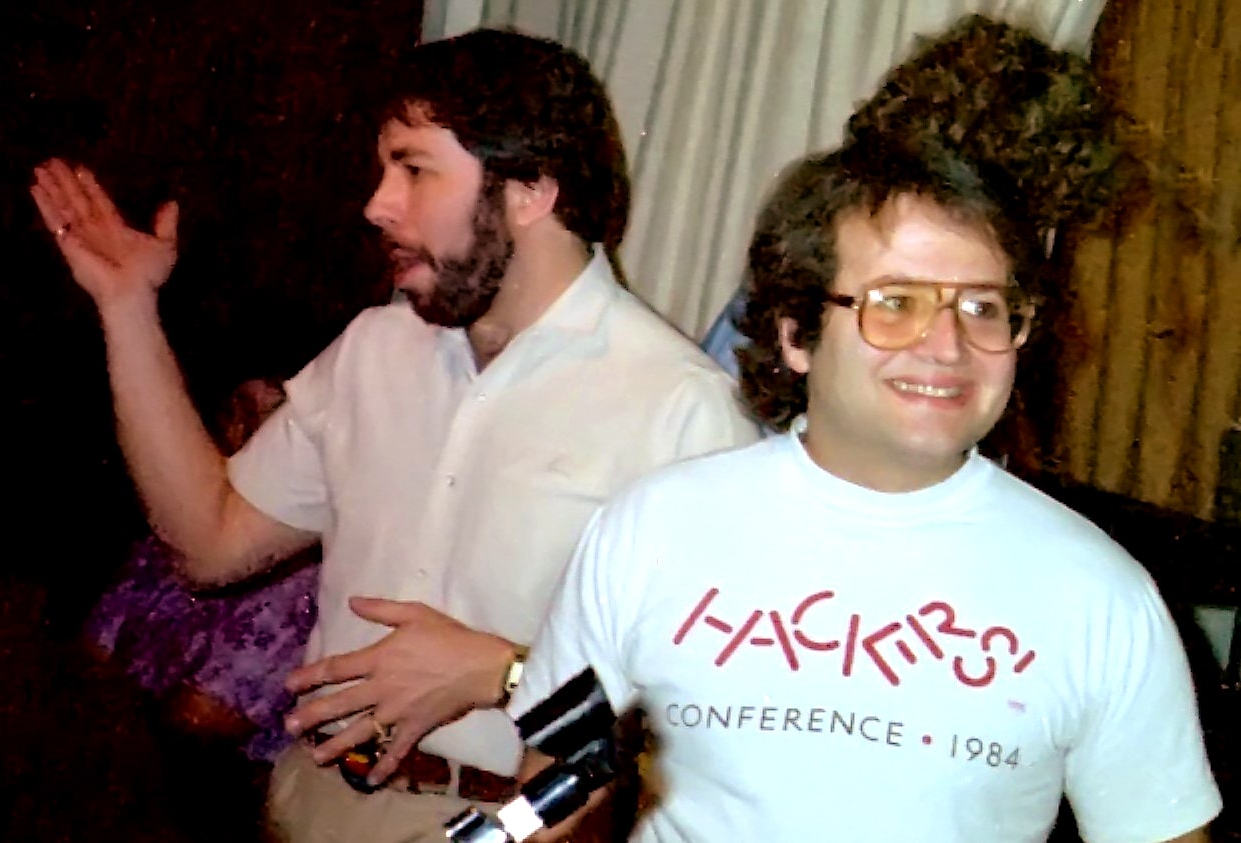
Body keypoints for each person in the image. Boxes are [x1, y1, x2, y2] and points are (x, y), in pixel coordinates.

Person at [31, 26, 759, 842]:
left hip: (514, 822)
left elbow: (713, 709)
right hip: (309, 801)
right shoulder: (375, 347)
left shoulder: (680, 409)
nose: (376, 203)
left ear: (530, 190)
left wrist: (508, 672)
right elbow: (208, 540)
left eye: (413, 168)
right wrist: (127, 311)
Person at [510, 17, 1222, 843]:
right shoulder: (646, 529)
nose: (947, 344)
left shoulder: (1105, 598)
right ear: (795, 332)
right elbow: (551, 792)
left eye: (983, 306)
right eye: (897, 302)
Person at [85, 377, 319, 764]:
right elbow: (91, 656)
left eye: (275, 420)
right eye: (238, 412)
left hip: (206, 789)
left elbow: (199, 725)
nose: (245, 432)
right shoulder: (167, 544)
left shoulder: (303, 584)